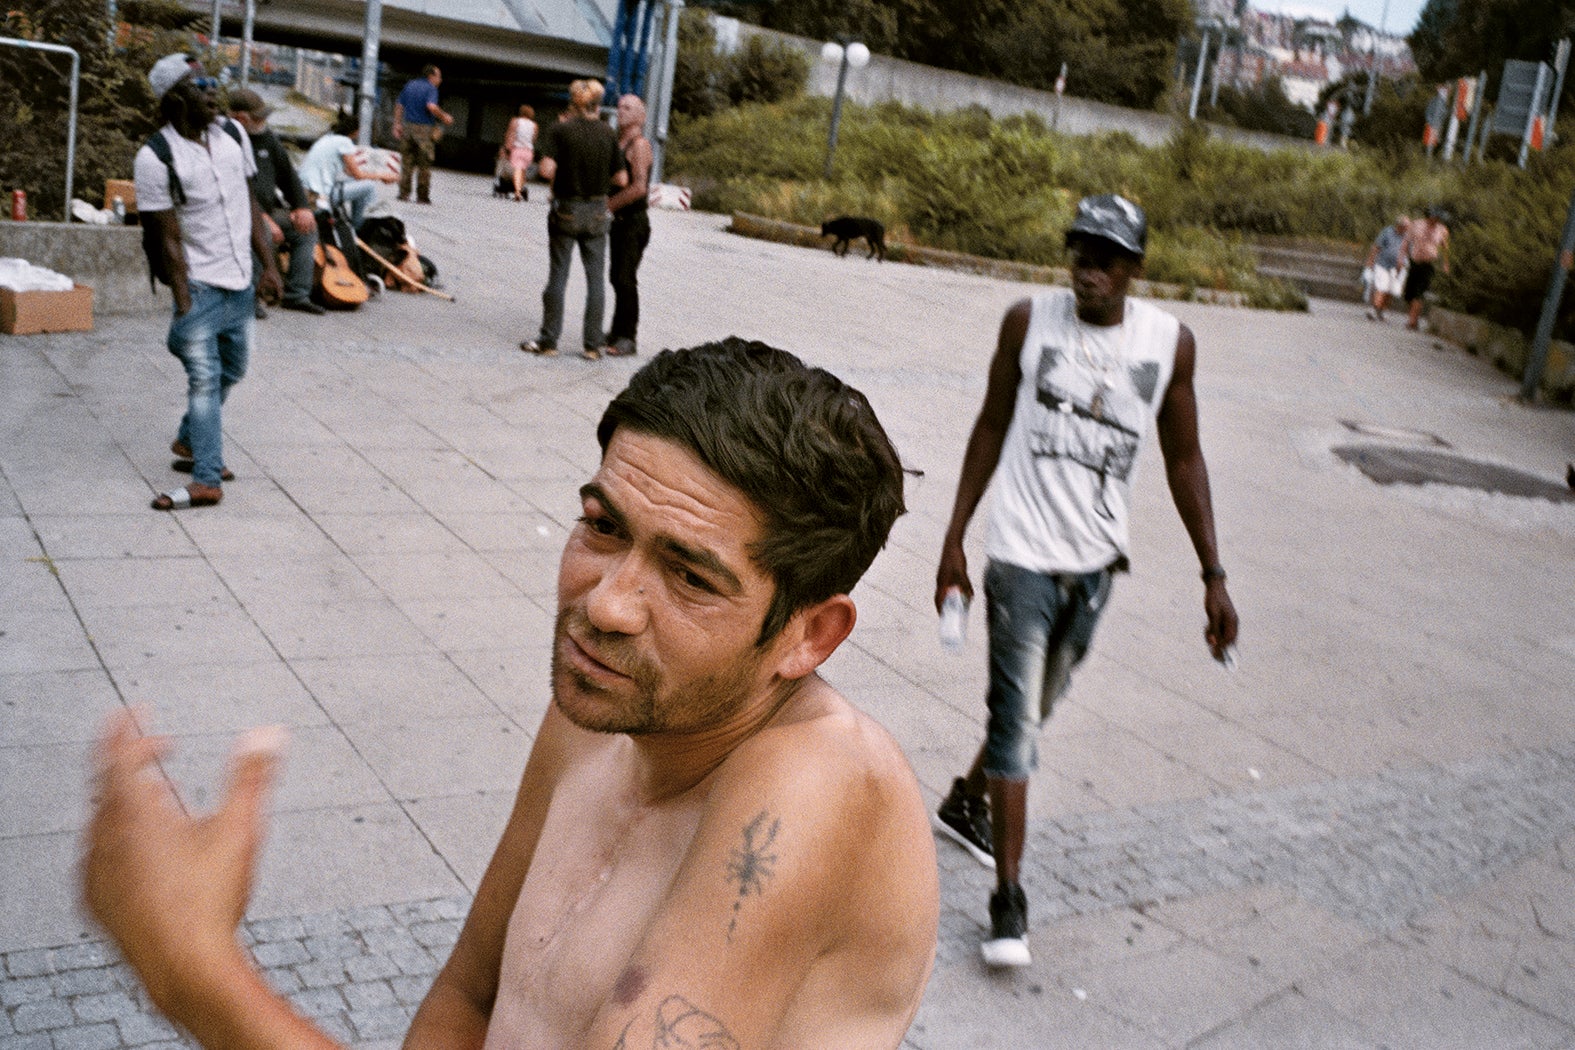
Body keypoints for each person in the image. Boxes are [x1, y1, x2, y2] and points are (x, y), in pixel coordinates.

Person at [82, 339, 940, 1049]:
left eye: (688, 576)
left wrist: (192, 969)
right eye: (603, 527)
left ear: (808, 635)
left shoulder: (819, 786)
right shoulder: (608, 712)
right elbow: (470, 998)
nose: (603, 604)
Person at [932, 194, 1239, 968]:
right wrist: (954, 540)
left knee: (1033, 706)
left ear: (1134, 268)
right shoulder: (1025, 323)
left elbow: (1182, 458)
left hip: (1098, 564)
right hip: (1020, 556)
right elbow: (991, 423)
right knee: (1017, 726)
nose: (1086, 270)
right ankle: (1007, 899)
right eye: (1078, 253)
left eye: (1105, 258)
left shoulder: (1169, 343)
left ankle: (967, 799)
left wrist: (1213, 575)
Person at [134, 54, 283, 512]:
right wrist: (183, 301)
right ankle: (205, 477)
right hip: (199, 285)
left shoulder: (234, 135)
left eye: (214, 82)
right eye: (201, 85)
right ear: (175, 99)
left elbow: (252, 207)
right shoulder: (155, 158)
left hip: (240, 280)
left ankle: (188, 438)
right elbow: (167, 239)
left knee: (234, 369)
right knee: (205, 378)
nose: (213, 91)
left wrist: (270, 266)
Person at [520, 79, 628, 361]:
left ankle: (549, 341)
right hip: (596, 211)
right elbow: (622, 178)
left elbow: (545, 169)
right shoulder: (608, 133)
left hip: (566, 209)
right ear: (597, 103)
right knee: (596, 281)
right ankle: (592, 345)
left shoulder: (561, 130)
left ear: (574, 103)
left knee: (558, 275)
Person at [226, 88, 325, 317]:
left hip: (266, 212)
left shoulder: (267, 139)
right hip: (238, 213)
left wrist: (301, 207)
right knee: (262, 233)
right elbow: (235, 188)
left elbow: (288, 176)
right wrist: (262, 217)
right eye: (258, 117)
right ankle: (248, 298)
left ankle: (296, 294)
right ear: (240, 118)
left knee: (306, 230)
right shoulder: (227, 141)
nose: (264, 121)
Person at [604, 93, 654, 358]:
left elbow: (638, 187)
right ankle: (615, 330)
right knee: (616, 277)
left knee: (625, 279)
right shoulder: (618, 142)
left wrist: (608, 206)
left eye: (627, 108)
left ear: (639, 116)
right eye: (620, 106)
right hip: (619, 222)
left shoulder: (639, 145)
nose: (620, 111)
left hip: (634, 222)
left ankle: (627, 337)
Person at [298, 113, 398, 231]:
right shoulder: (344, 142)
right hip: (318, 196)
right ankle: (361, 231)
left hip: (304, 191)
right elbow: (358, 174)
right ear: (356, 131)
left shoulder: (328, 138)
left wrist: (376, 177)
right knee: (369, 187)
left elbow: (349, 172)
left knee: (361, 183)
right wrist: (382, 175)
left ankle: (359, 223)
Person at [393, 64, 454, 204]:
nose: (440, 80)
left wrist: (397, 124)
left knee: (406, 163)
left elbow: (399, 105)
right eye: (439, 76)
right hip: (424, 129)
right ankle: (422, 196)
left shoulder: (409, 85)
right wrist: (444, 117)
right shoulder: (431, 88)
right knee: (424, 164)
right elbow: (431, 106)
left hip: (408, 127)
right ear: (431, 76)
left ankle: (404, 194)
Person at [1401, 205, 1451, 331]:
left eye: (1438, 218)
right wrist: (1400, 258)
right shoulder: (1416, 225)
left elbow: (1445, 249)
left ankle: (1412, 321)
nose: (1436, 220)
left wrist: (1445, 263)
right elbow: (1406, 242)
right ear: (1429, 216)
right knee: (1409, 294)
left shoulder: (1442, 230)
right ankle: (1413, 317)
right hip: (1414, 262)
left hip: (1428, 264)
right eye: (1434, 217)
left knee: (1419, 293)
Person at [1364, 214, 1409, 322]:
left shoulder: (1408, 236)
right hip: (1382, 264)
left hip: (1398, 267)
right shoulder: (1387, 232)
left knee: (1391, 291)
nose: (1407, 229)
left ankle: (1382, 311)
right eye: (1406, 226)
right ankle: (1374, 310)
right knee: (1381, 287)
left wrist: (1403, 266)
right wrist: (1370, 262)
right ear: (1399, 225)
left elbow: (1409, 252)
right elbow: (1376, 246)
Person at [504, 103, 537, 201]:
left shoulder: (515, 121)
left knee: (517, 170)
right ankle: (520, 188)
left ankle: (517, 192)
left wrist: (507, 148)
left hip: (517, 149)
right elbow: (533, 139)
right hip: (528, 151)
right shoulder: (534, 125)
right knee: (523, 171)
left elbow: (510, 135)